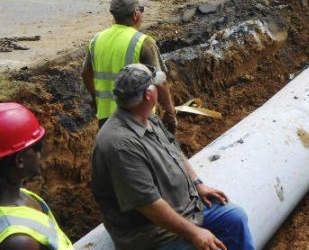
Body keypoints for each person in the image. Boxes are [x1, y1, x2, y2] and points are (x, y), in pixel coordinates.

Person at [91, 63, 254, 250]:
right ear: (149, 95)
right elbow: (148, 204)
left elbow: (173, 149)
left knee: (235, 218)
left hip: (187, 209)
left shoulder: (146, 117)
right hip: (153, 233)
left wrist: (197, 183)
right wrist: (195, 233)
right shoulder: (120, 145)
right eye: (155, 85)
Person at [81, 0, 177, 131]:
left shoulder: (97, 40)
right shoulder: (143, 43)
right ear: (135, 15)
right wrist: (170, 111)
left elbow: (86, 74)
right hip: (138, 118)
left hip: (107, 120)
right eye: (142, 10)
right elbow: (160, 81)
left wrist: (96, 98)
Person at [0, 103, 74, 250]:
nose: (40, 154)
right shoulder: (19, 242)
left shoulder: (22, 195)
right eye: (37, 147)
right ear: (19, 160)